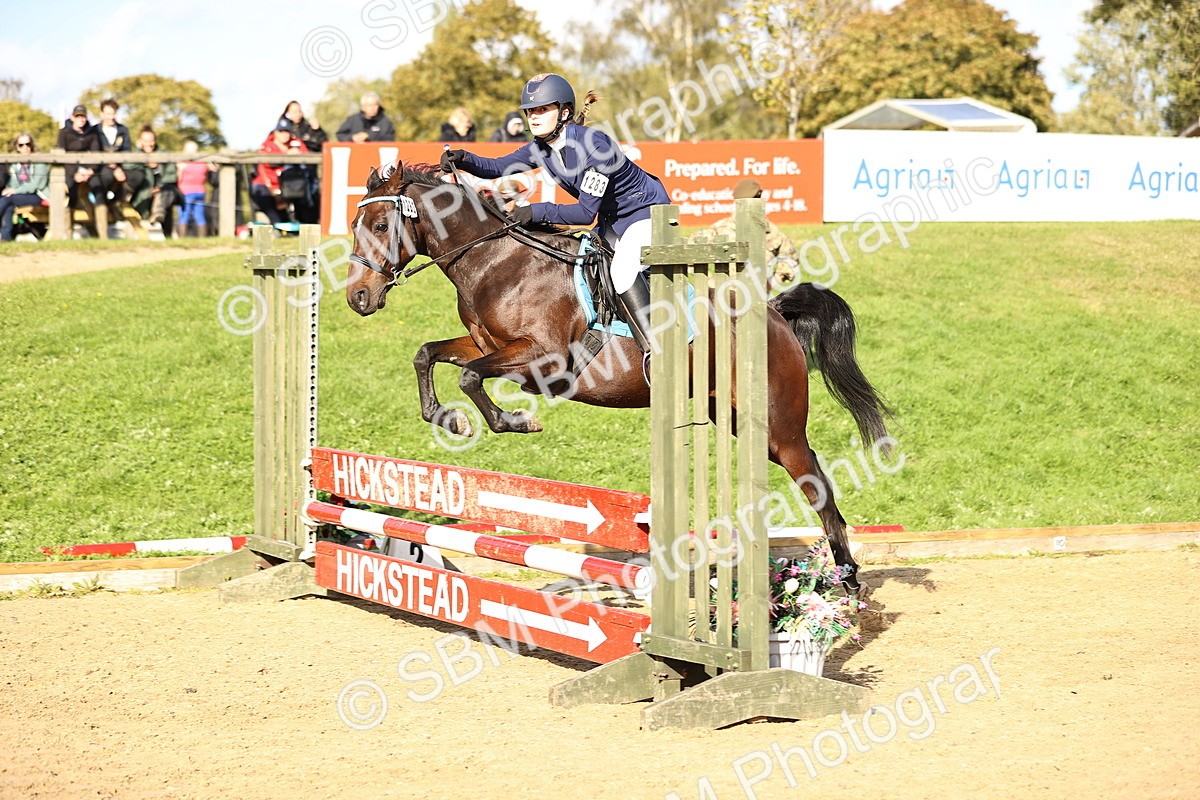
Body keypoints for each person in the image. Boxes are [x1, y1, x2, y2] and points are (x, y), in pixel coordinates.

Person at [441, 74, 670, 354]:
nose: (533, 117)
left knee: (622, 273)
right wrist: (465, 159)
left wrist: (534, 211)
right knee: (583, 266)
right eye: (530, 111)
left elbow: (585, 213)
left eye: (542, 110)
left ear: (564, 113)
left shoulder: (595, 147)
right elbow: (498, 166)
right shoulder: (541, 148)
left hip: (647, 213)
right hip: (613, 221)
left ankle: (655, 351)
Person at [688, 178, 799, 293]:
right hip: (725, 300)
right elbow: (690, 253)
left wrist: (771, 283)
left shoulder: (772, 232)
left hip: (759, 300)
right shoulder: (720, 229)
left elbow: (790, 259)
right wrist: (711, 282)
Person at [251, 120, 311, 225]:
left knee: (304, 192)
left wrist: (296, 154)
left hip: (290, 186)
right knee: (262, 195)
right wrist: (287, 155)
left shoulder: (295, 143)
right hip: (267, 184)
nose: (284, 135)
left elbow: (307, 156)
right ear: (275, 132)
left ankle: (299, 225)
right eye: (281, 131)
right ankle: (277, 225)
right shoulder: (267, 145)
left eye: (286, 131)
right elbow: (265, 165)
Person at [123, 126, 178, 235]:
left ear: (155, 141)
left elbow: (171, 175)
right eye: (145, 141)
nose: (149, 144)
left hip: (162, 193)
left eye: (151, 141)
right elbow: (127, 167)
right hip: (142, 195)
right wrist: (143, 159)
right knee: (132, 215)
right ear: (141, 142)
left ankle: (158, 214)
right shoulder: (135, 155)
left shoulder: (164, 154)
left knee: (167, 193)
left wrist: (159, 188)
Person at [56, 105, 101, 232]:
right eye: (78, 116)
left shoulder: (92, 133)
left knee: (99, 189)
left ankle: (99, 228)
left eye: (83, 116)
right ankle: (67, 230)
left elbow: (96, 153)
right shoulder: (64, 133)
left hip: (89, 171)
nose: (81, 119)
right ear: (72, 117)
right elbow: (60, 156)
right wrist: (74, 173)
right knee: (69, 191)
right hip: (70, 171)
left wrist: (91, 170)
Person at [0, 133, 49, 242]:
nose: (25, 147)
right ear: (17, 147)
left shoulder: (40, 161)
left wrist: (14, 191)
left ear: (32, 145)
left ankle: (6, 237)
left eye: (28, 144)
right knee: (7, 202)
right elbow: (13, 183)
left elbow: (36, 185)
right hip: (21, 196)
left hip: (39, 195)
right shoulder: (15, 164)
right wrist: (9, 189)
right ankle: (5, 238)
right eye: (21, 145)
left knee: (8, 199)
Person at [93, 98, 131, 220]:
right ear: (102, 114)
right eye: (108, 113)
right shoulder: (94, 131)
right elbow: (94, 151)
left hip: (120, 168)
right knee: (104, 178)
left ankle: (117, 203)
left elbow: (127, 151)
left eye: (113, 113)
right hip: (100, 169)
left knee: (136, 176)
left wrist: (118, 167)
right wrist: (111, 167)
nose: (111, 116)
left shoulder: (123, 130)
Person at [176, 141, 214, 237]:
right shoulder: (203, 162)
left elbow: (179, 177)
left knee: (184, 216)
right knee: (200, 216)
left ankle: (182, 239)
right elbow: (208, 175)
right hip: (200, 191)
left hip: (185, 192)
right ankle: (202, 239)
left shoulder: (183, 163)